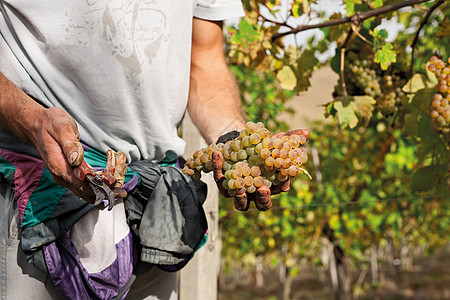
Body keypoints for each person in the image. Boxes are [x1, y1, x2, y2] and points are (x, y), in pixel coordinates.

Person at [0, 0, 307, 299]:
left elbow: (205, 62)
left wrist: (233, 141)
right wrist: (31, 120)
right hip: (41, 200)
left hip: (154, 206)